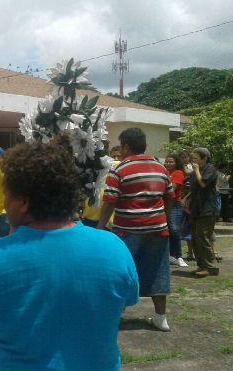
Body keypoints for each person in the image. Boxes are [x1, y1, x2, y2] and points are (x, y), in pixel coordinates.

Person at [0, 142, 139, 371]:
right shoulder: (113, 247)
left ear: (23, 202)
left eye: (7, 195)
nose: (5, 204)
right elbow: (126, 300)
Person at [98, 128, 175, 332]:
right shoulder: (160, 168)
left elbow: (109, 202)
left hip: (126, 230)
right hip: (158, 229)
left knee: (121, 271)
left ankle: (115, 316)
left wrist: (100, 226)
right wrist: (163, 218)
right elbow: (170, 196)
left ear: (126, 146)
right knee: (159, 271)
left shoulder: (119, 170)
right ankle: (161, 318)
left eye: (121, 146)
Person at [189, 148, 219, 277]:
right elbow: (194, 187)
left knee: (203, 237)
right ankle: (201, 265)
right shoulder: (196, 171)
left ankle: (210, 267)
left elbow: (203, 183)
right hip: (196, 208)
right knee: (195, 238)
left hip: (207, 209)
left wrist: (195, 170)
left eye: (196, 158)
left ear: (204, 158)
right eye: (193, 158)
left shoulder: (210, 169)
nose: (193, 161)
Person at [164, 154, 188, 267]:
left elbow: (172, 188)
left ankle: (179, 256)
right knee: (166, 230)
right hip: (164, 204)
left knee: (174, 229)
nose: (168, 164)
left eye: (171, 162)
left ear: (176, 163)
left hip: (174, 204)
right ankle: (170, 255)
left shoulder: (178, 173)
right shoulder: (165, 173)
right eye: (167, 162)